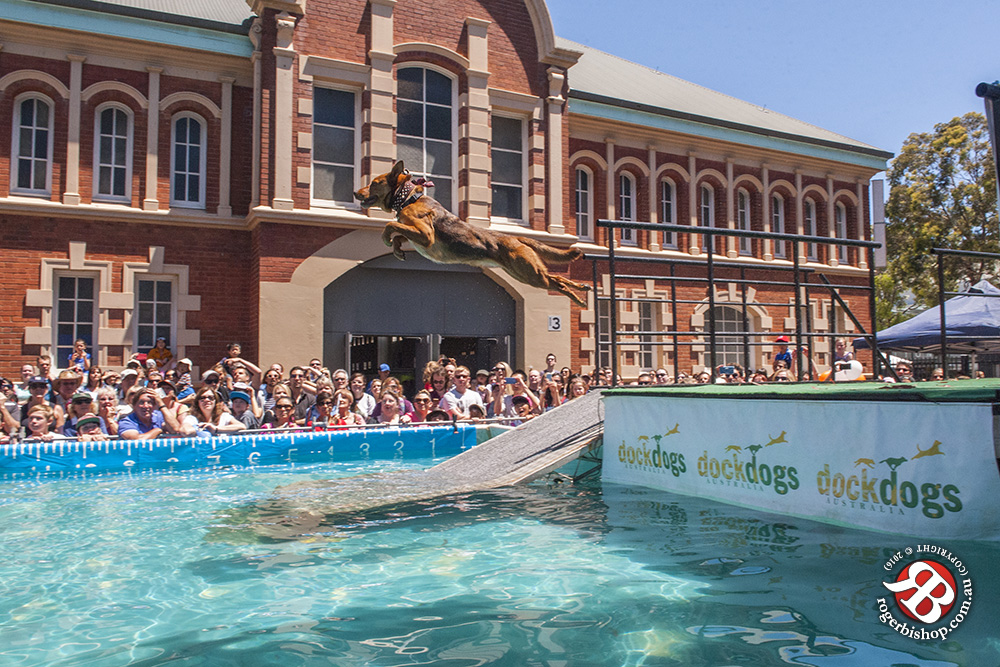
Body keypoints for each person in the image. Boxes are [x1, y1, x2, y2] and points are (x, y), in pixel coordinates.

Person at [118, 388, 183, 440]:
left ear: (154, 405)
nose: (146, 406)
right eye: (141, 402)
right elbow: (137, 441)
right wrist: (157, 430)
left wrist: (161, 404)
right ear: (134, 405)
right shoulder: (126, 421)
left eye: (149, 402)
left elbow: (175, 429)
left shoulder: (158, 416)